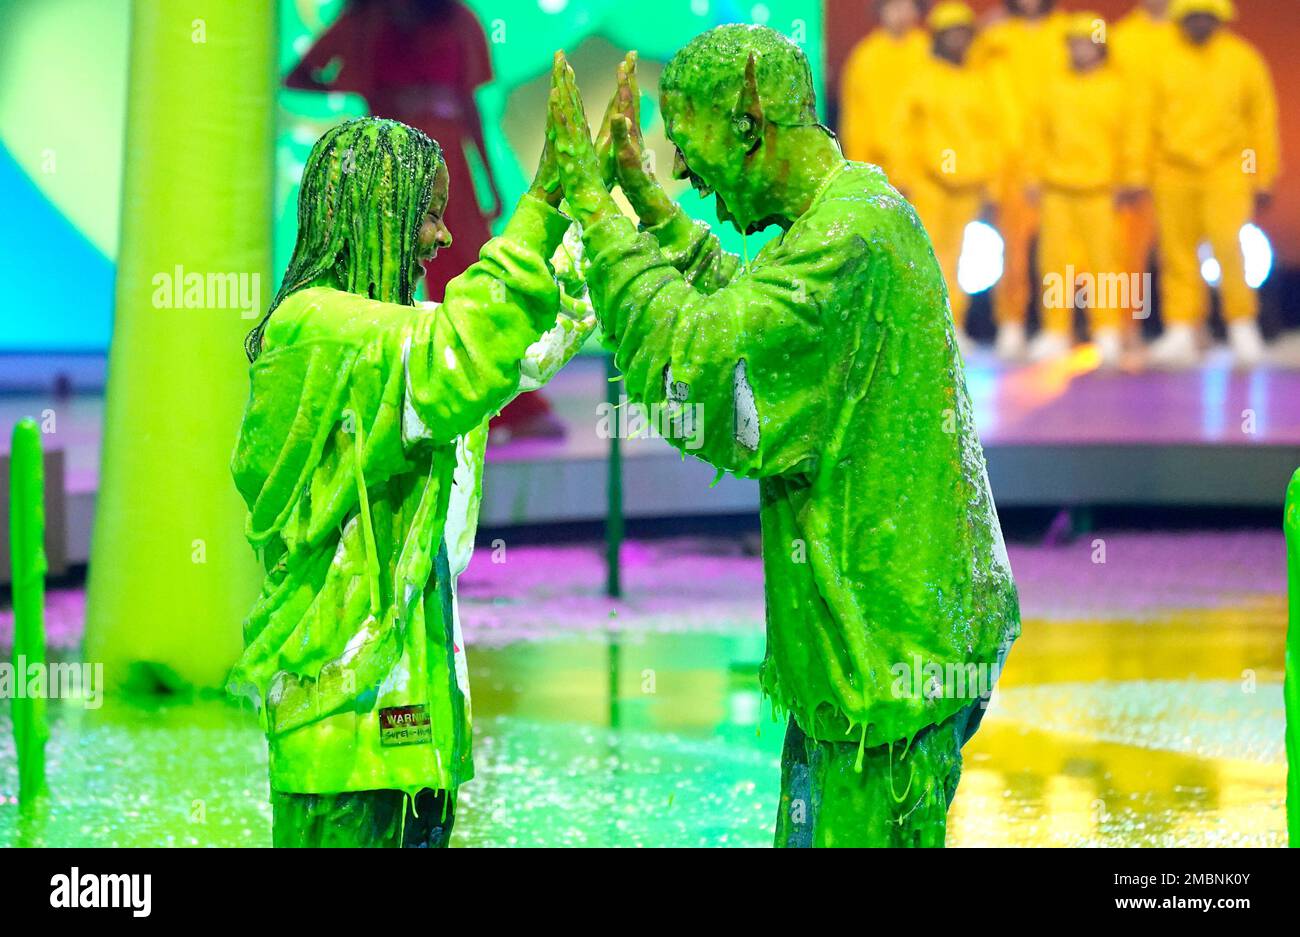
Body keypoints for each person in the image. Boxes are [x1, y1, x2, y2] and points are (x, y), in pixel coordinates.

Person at [548, 28, 1019, 846]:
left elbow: (710, 353)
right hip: (872, 662)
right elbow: (761, 310)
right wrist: (650, 210)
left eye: (686, 152)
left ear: (751, 121)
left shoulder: (851, 239)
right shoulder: (855, 210)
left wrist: (596, 212)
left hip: (883, 675)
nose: (686, 179)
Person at [229, 117, 591, 847]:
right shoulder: (318, 329)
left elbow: (515, 345)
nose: (443, 235)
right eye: (427, 212)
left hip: (413, 724)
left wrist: (593, 214)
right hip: (342, 734)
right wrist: (543, 196)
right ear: (373, 211)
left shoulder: (397, 336)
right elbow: (457, 349)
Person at [286, 0, 567, 437]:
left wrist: (368, 90)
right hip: (405, 157)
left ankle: (490, 403)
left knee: (461, 274)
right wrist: (364, 88)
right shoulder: (375, 17)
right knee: (385, 278)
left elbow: (468, 105)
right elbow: (299, 75)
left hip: (423, 158)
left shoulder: (427, 17)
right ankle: (401, 403)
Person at [1140, 0, 1279, 369]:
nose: (1198, 23)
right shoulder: (1163, 60)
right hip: (1172, 169)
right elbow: (1144, 120)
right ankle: (1182, 328)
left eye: (1205, 16)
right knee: (1176, 251)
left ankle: (1242, 325)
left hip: (1226, 169)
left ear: (1219, 17)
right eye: (1191, 16)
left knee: (1229, 246)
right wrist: (1140, 171)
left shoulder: (1242, 60)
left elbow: (1261, 119)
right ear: (1180, 19)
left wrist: (1262, 174)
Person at [1027, 13, 1137, 368]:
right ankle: (1056, 331)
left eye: (1086, 43)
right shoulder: (1052, 86)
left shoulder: (1118, 89)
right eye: (1073, 43)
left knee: (1104, 263)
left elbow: (1130, 140)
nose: (1080, 50)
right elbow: (1037, 135)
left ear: (1100, 47)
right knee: (1055, 261)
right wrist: (1033, 176)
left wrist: (1129, 177)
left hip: (1100, 191)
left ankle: (1106, 330)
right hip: (1058, 189)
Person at [895, 1, 1001, 354]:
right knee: (926, 256)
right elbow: (902, 132)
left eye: (963, 34)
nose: (957, 41)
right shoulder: (919, 79)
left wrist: (987, 176)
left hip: (967, 185)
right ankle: (924, 332)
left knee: (959, 258)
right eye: (950, 34)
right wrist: (903, 176)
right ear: (937, 37)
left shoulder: (978, 81)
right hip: (928, 185)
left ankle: (952, 327)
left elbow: (992, 132)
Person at [974, 0, 1068, 361]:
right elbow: (968, 72)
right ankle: (1011, 324)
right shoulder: (996, 36)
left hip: (1058, 160)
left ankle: (1057, 327)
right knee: (1012, 249)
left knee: (1061, 251)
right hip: (1009, 162)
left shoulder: (1066, 31)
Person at [1111, 0, 1175, 341]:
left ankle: (1187, 328)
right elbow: (1111, 104)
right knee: (1126, 253)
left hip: (1179, 164)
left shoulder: (1187, 34)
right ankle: (1125, 328)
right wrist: (1125, 169)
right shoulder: (1121, 38)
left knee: (1182, 253)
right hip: (1130, 165)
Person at [839, 0, 929, 179]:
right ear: (881, 10)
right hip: (880, 168)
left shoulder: (928, 50)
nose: (901, 13)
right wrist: (860, 170)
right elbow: (856, 120)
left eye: (907, 5)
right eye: (894, 6)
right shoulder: (865, 57)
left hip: (925, 171)